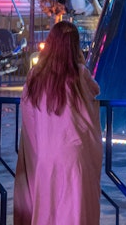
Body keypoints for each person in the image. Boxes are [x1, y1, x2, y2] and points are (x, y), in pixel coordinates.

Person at [13, 21, 101, 224]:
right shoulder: (79, 74)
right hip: (74, 156)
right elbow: (95, 91)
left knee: (48, 212)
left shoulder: (35, 77)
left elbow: (29, 120)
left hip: (46, 158)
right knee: (74, 213)